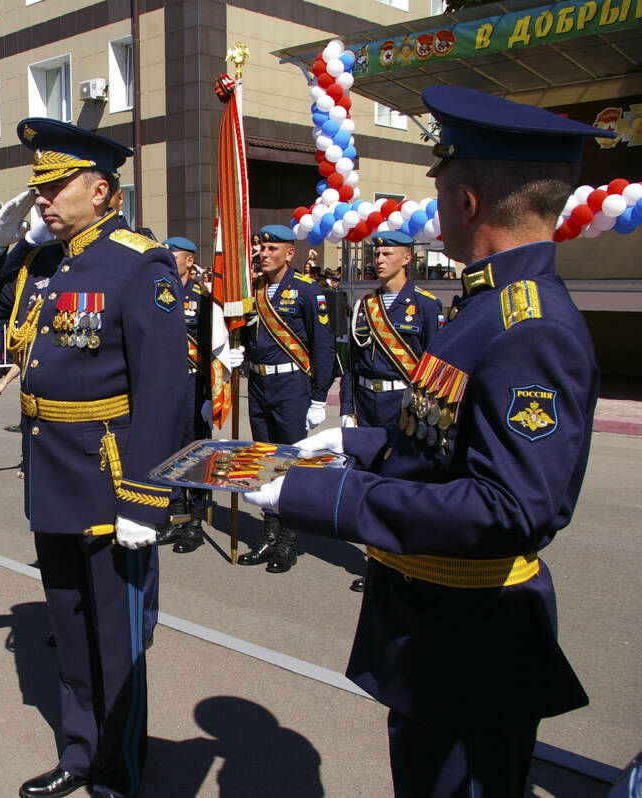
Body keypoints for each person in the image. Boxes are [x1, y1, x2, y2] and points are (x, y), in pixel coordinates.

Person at [244, 85, 610, 797]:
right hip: (436, 621)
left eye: (440, 183)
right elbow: (444, 445)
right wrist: (358, 447)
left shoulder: (529, 325)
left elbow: (512, 506)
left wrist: (327, 495)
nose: (435, 201)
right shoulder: (488, 304)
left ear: (467, 200)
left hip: (472, 636)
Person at [0, 118, 186, 798]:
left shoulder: (138, 262)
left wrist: (147, 497)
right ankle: (80, 752)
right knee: (69, 623)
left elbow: (165, 388)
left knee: (116, 641)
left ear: (104, 190)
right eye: (39, 190)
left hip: (109, 479)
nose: (43, 202)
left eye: (57, 188)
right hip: (50, 471)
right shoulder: (41, 263)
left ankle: (119, 773)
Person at [338, 230, 444, 592]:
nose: (379, 259)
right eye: (377, 253)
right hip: (368, 403)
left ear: (406, 259)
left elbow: (435, 366)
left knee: (403, 484)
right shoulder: (364, 306)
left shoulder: (426, 305)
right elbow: (352, 364)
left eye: (388, 253)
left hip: (403, 407)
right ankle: (377, 563)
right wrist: (348, 409)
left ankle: (409, 561)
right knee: (371, 483)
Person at [236, 225, 335, 573]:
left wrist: (319, 397)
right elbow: (251, 334)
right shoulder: (255, 291)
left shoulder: (308, 291)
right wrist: (241, 352)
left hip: (292, 386)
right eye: (261, 247)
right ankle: (269, 532)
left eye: (272, 248)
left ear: (290, 253)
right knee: (265, 461)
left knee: (289, 461)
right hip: (260, 386)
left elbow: (323, 347)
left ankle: (288, 541)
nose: (264, 253)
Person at [156, 236, 235, 554]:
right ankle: (176, 516)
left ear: (189, 260)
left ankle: (196, 522)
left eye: (171, 254)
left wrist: (211, 394)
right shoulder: (160, 295)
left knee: (195, 453)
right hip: (165, 385)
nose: (165, 258)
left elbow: (214, 349)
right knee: (170, 452)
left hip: (193, 385)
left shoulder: (204, 300)